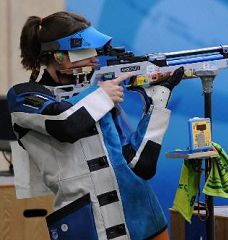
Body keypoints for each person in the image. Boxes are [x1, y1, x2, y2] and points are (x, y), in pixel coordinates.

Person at [7, 11, 184, 240]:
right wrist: (102, 95)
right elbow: (65, 123)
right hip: (87, 227)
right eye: (86, 51)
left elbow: (141, 165)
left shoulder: (95, 98)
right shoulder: (23, 97)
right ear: (60, 56)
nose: (94, 59)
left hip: (143, 222)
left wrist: (158, 102)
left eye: (95, 52)